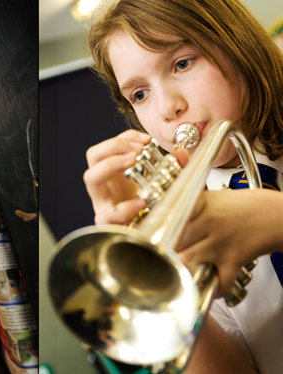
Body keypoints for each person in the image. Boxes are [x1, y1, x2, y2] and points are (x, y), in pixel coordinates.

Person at [83, 0, 283, 372]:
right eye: (139, 94)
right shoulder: (192, 219)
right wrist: (161, 282)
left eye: (182, 63)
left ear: (236, 43)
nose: (167, 108)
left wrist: (275, 219)